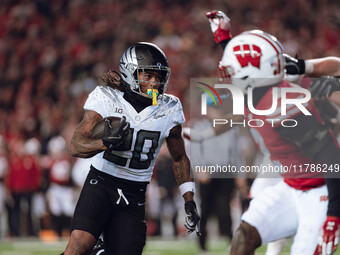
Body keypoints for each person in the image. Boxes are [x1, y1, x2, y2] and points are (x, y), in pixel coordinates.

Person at [205, 10, 340, 255]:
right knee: (245, 232)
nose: (228, 73)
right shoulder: (265, 78)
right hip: (289, 177)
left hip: (318, 183)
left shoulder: (284, 100)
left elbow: (332, 159)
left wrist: (334, 215)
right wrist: (223, 38)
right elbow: (248, 67)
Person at [61, 42, 200, 255]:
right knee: (77, 247)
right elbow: (76, 145)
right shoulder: (107, 98)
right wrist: (104, 143)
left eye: (159, 76)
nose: (154, 82)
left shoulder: (169, 108)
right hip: (101, 184)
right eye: (148, 76)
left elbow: (179, 157)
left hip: (135, 193)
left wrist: (188, 197)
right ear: (130, 73)